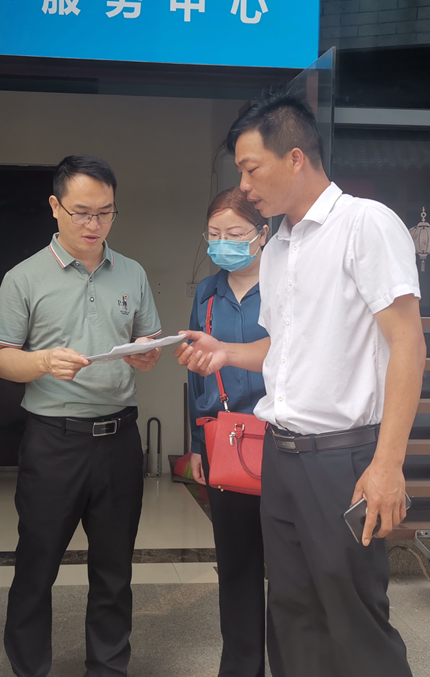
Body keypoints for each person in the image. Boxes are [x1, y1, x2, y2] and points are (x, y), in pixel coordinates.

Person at [176, 89, 426, 677]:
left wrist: (388, 464)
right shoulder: (280, 246)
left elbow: (408, 344)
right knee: (291, 615)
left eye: (250, 169)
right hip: (281, 456)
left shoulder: (364, 224)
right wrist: (226, 352)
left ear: (294, 158)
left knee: (353, 620)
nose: (244, 186)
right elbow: (283, 349)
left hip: (343, 459)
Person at [0, 154, 162, 677]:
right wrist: (43, 361)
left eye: (105, 213)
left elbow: (149, 342)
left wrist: (148, 355)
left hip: (119, 438)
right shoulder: (23, 277)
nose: (94, 224)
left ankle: (108, 667)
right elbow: (0, 358)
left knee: (114, 570)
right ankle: (29, 668)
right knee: (36, 566)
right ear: (55, 207)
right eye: (82, 212)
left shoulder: (131, 271)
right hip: (54, 441)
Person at [183, 188, 283, 677]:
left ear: (262, 234)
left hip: (285, 441)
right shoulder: (206, 292)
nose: (224, 243)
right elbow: (196, 374)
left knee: (288, 568)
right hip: (226, 442)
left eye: (235, 234)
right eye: (214, 234)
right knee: (237, 565)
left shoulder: (287, 284)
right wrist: (196, 444)